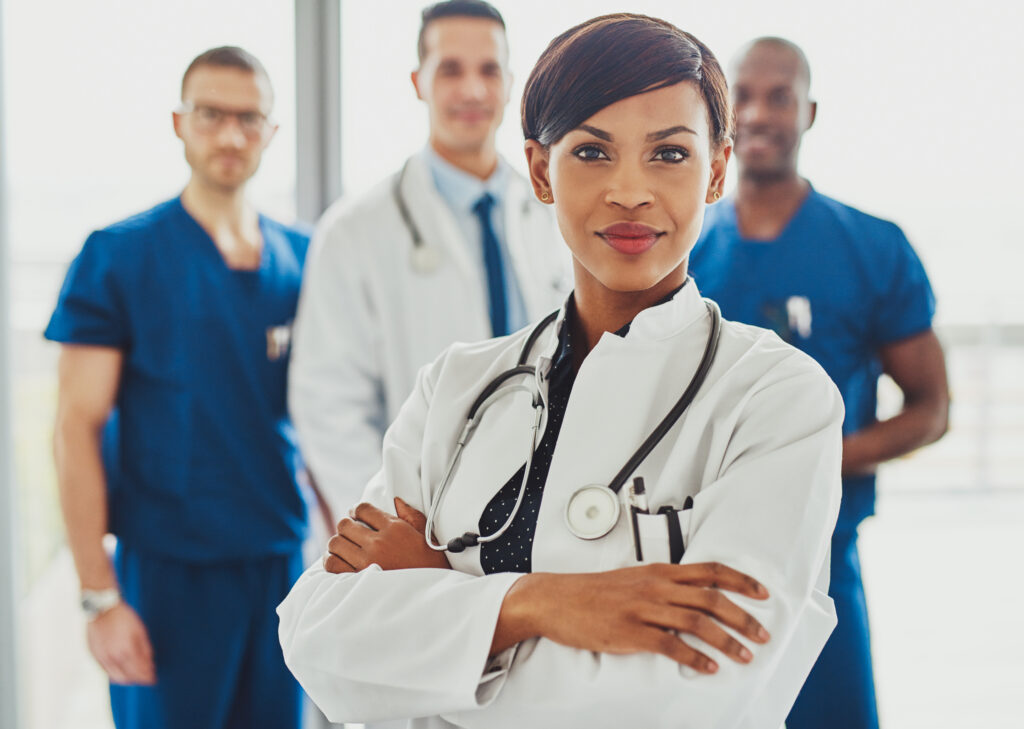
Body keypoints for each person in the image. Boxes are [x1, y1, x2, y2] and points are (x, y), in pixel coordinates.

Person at [278, 15, 846, 729]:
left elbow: (691, 697)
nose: (630, 190)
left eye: (669, 153)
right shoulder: (455, 387)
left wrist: (435, 608)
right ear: (542, 171)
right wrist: (538, 603)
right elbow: (316, 637)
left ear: (718, 171)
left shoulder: (777, 398)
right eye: (592, 152)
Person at [47, 47, 313, 729]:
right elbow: (75, 425)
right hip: (169, 576)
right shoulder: (119, 255)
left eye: (248, 119)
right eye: (211, 115)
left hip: (281, 564)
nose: (230, 135)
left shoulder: (302, 259)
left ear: (271, 132)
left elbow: (326, 415)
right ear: (178, 122)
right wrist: (98, 597)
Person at [690, 37, 950, 729]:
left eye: (779, 96)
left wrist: (818, 459)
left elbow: (931, 407)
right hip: (692, 564)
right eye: (741, 94)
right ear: (718, 110)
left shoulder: (870, 248)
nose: (758, 112)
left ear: (809, 111)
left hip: (822, 561)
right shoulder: (681, 255)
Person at [288, 0, 568, 521]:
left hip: (553, 501)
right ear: (419, 82)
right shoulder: (355, 232)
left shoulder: (556, 212)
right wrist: (391, 522)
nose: (472, 90)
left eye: (488, 70)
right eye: (450, 70)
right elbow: (329, 406)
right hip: (421, 514)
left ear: (510, 82)